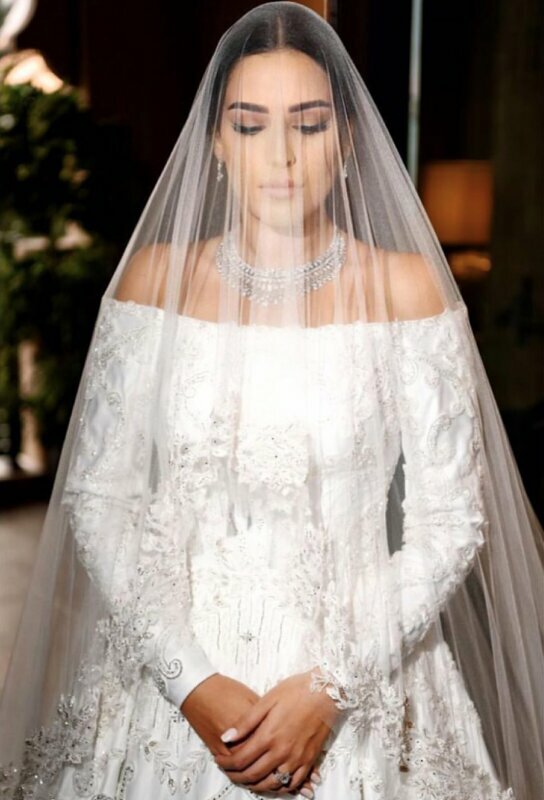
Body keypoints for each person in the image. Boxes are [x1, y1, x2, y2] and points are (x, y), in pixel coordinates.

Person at [0, 3, 542, 799]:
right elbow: (100, 497)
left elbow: (451, 521)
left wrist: (330, 687)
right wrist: (189, 680)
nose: (281, 154)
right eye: (250, 125)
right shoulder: (154, 282)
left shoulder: (408, 290)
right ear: (217, 142)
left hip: (361, 679)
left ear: (347, 139)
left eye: (309, 125)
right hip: (171, 681)